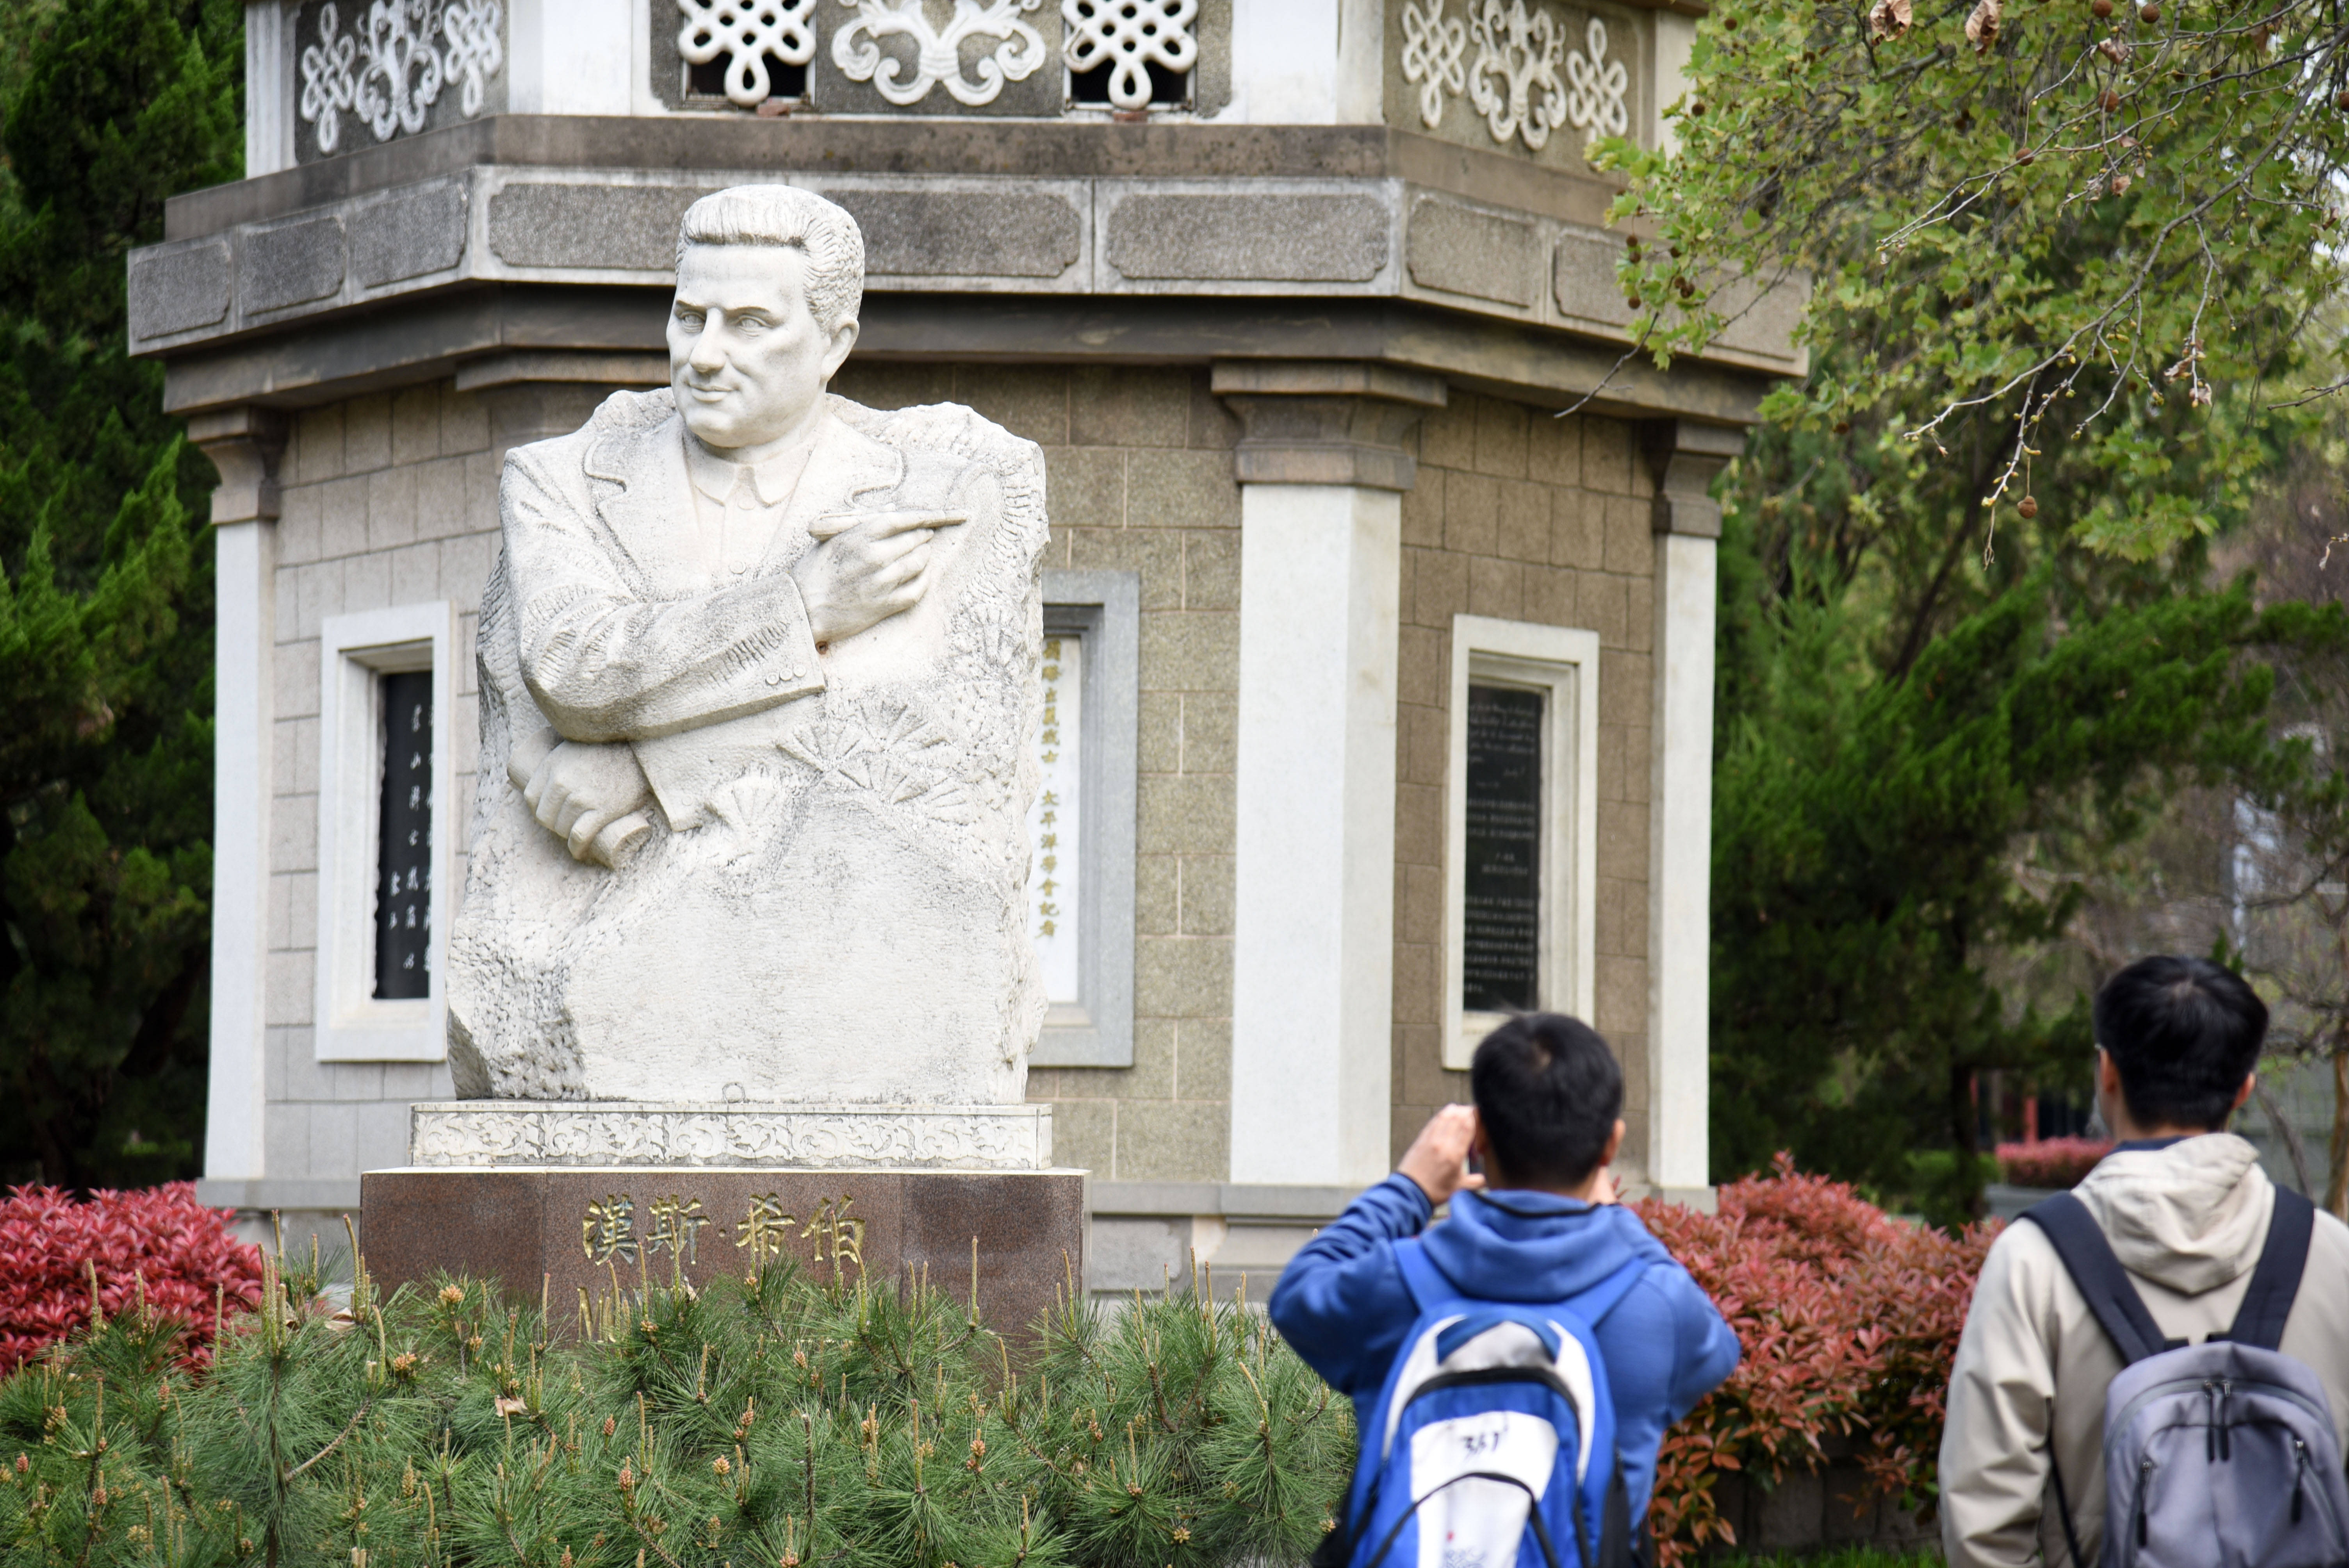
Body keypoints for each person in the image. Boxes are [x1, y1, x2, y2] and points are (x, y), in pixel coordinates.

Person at [1939, 955, 2349, 1568]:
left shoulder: (2033, 1262)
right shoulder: (2331, 1254)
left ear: (2106, 1073)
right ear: (2245, 1088)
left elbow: (1984, 1522)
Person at [1269, 1012, 1741, 1542]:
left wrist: (1411, 1188)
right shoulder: (1656, 1306)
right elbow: (1720, 1351)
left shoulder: (1395, 1285)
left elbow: (1297, 1294)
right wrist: (1614, 1218)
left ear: (1480, 1140)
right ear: (1610, 1146)